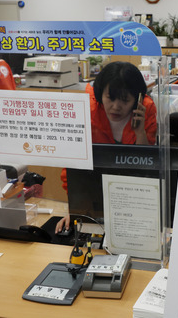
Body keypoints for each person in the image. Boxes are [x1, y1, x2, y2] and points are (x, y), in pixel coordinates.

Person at [55, 61, 157, 233]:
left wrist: (140, 133)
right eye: (110, 98)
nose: (116, 106)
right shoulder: (87, 110)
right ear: (101, 92)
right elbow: (73, 169)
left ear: (137, 99)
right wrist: (75, 211)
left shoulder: (145, 110)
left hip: (132, 198)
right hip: (93, 195)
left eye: (125, 100)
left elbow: (146, 166)